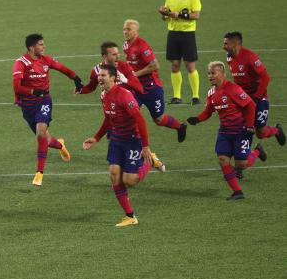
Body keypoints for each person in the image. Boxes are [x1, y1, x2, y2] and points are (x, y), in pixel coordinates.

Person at [82, 64, 156, 227]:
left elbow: (140, 120)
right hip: (116, 139)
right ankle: (130, 216)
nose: (99, 78)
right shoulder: (103, 95)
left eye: (103, 75)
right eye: (99, 75)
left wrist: (145, 147)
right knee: (114, 175)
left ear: (113, 78)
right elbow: (109, 118)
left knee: (129, 181)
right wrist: (96, 137)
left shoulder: (125, 96)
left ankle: (149, 161)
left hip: (132, 140)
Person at [186, 61, 267, 200]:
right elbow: (208, 111)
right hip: (224, 132)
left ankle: (257, 151)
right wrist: (197, 119)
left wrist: (248, 126)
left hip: (241, 131)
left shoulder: (233, 89)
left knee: (242, 164)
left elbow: (251, 106)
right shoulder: (211, 93)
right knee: (223, 159)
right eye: (209, 73)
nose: (210, 76)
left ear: (223, 74)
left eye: (213, 73)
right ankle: (237, 192)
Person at [12, 34, 83, 186]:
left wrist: (75, 78)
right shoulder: (21, 63)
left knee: (40, 133)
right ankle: (60, 145)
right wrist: (32, 92)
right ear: (32, 47)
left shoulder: (46, 60)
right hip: (28, 105)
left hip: (44, 100)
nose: (44, 47)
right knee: (46, 139)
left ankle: (39, 173)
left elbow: (62, 68)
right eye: (41, 45)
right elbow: (17, 86)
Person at [123, 20, 188, 142]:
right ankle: (134, 144)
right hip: (136, 88)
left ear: (136, 32)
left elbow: (155, 66)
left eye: (128, 29)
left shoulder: (142, 46)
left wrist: (134, 74)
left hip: (151, 88)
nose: (125, 32)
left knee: (159, 119)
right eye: (124, 29)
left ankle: (180, 127)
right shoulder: (126, 45)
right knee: (129, 114)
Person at [223, 31, 285, 146]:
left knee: (260, 133)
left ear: (235, 44)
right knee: (239, 126)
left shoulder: (250, 57)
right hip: (243, 99)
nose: (224, 47)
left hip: (258, 98)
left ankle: (276, 130)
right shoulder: (229, 58)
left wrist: (256, 97)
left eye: (226, 44)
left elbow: (266, 77)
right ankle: (243, 155)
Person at [158, 0, 202, 105]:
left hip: (188, 34)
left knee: (190, 66)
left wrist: (180, 15)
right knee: (175, 65)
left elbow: (196, 15)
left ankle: (195, 96)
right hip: (173, 34)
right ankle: (177, 96)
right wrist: (164, 14)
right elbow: (166, 16)